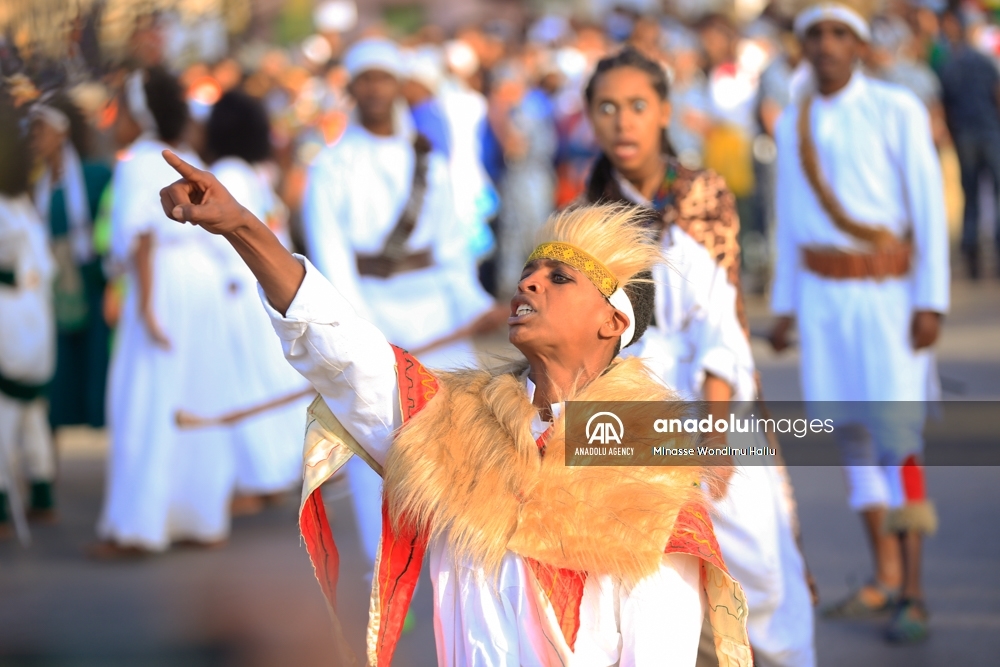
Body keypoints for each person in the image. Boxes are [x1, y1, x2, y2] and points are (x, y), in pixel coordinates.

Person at [158, 152, 753, 664]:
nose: (528, 285)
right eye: (527, 273)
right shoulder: (454, 425)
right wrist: (242, 228)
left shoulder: (651, 476)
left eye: (559, 278)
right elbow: (344, 352)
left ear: (612, 321)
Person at [583, 46, 816, 667]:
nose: (622, 122)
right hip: (626, 414)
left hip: (713, 396)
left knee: (757, 567)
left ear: (664, 111)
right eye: (606, 108)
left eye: (637, 106)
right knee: (649, 586)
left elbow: (719, 324)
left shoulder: (700, 195)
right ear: (589, 117)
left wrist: (712, 438)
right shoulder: (584, 217)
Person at [769, 0, 949, 643]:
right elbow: (788, 216)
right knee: (849, 434)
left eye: (839, 33)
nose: (826, 44)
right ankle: (884, 574)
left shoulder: (895, 109)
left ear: (860, 44)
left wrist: (932, 300)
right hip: (821, 298)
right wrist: (785, 307)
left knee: (896, 433)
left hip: (890, 295)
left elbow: (927, 206)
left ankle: (916, 591)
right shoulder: (795, 120)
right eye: (815, 33)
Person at [301, 38, 505, 573]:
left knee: (452, 436)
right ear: (351, 87)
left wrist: (474, 305)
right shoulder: (331, 167)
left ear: (397, 85)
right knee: (379, 447)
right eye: (363, 78)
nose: (374, 88)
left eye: (383, 77)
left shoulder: (428, 162)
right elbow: (331, 257)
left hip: (437, 315)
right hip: (371, 316)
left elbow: (452, 250)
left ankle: (453, 563)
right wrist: (354, 330)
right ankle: (385, 570)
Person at [93, 67, 238, 557]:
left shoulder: (136, 163)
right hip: (205, 283)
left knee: (148, 399)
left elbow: (138, 237)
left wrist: (148, 305)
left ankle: (140, 526)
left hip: (161, 285)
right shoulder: (194, 160)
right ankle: (201, 518)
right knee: (199, 393)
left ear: (138, 111)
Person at [205, 91, 310, 513]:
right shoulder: (256, 173)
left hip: (238, 290)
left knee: (245, 385)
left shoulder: (226, 172)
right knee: (275, 381)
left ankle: (256, 480)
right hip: (266, 286)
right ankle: (277, 473)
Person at [30, 93, 113, 435]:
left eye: (41, 131)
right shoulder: (35, 184)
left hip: (89, 289)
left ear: (61, 133)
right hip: (49, 293)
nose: (35, 139)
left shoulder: (94, 177)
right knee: (53, 380)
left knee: (97, 375)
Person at [0, 94, 57, 536]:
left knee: (4, 416)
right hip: (36, 321)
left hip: (9, 320)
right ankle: (41, 491)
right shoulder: (25, 205)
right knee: (32, 412)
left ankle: (3, 505)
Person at [937, 6, 1000, 279]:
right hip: (989, 132)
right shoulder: (985, 62)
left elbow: (944, 107)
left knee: (970, 196)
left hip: (965, 136)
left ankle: (971, 252)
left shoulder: (949, 65)